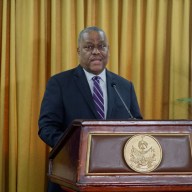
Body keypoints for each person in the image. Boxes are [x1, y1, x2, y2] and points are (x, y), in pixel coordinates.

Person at [38, 26, 142, 192]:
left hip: (116, 176)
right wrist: (75, 149)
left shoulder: (124, 86)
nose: (96, 52)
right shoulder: (59, 83)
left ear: (108, 50)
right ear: (79, 51)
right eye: (89, 47)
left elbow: (138, 125)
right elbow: (47, 128)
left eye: (102, 46)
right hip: (71, 176)